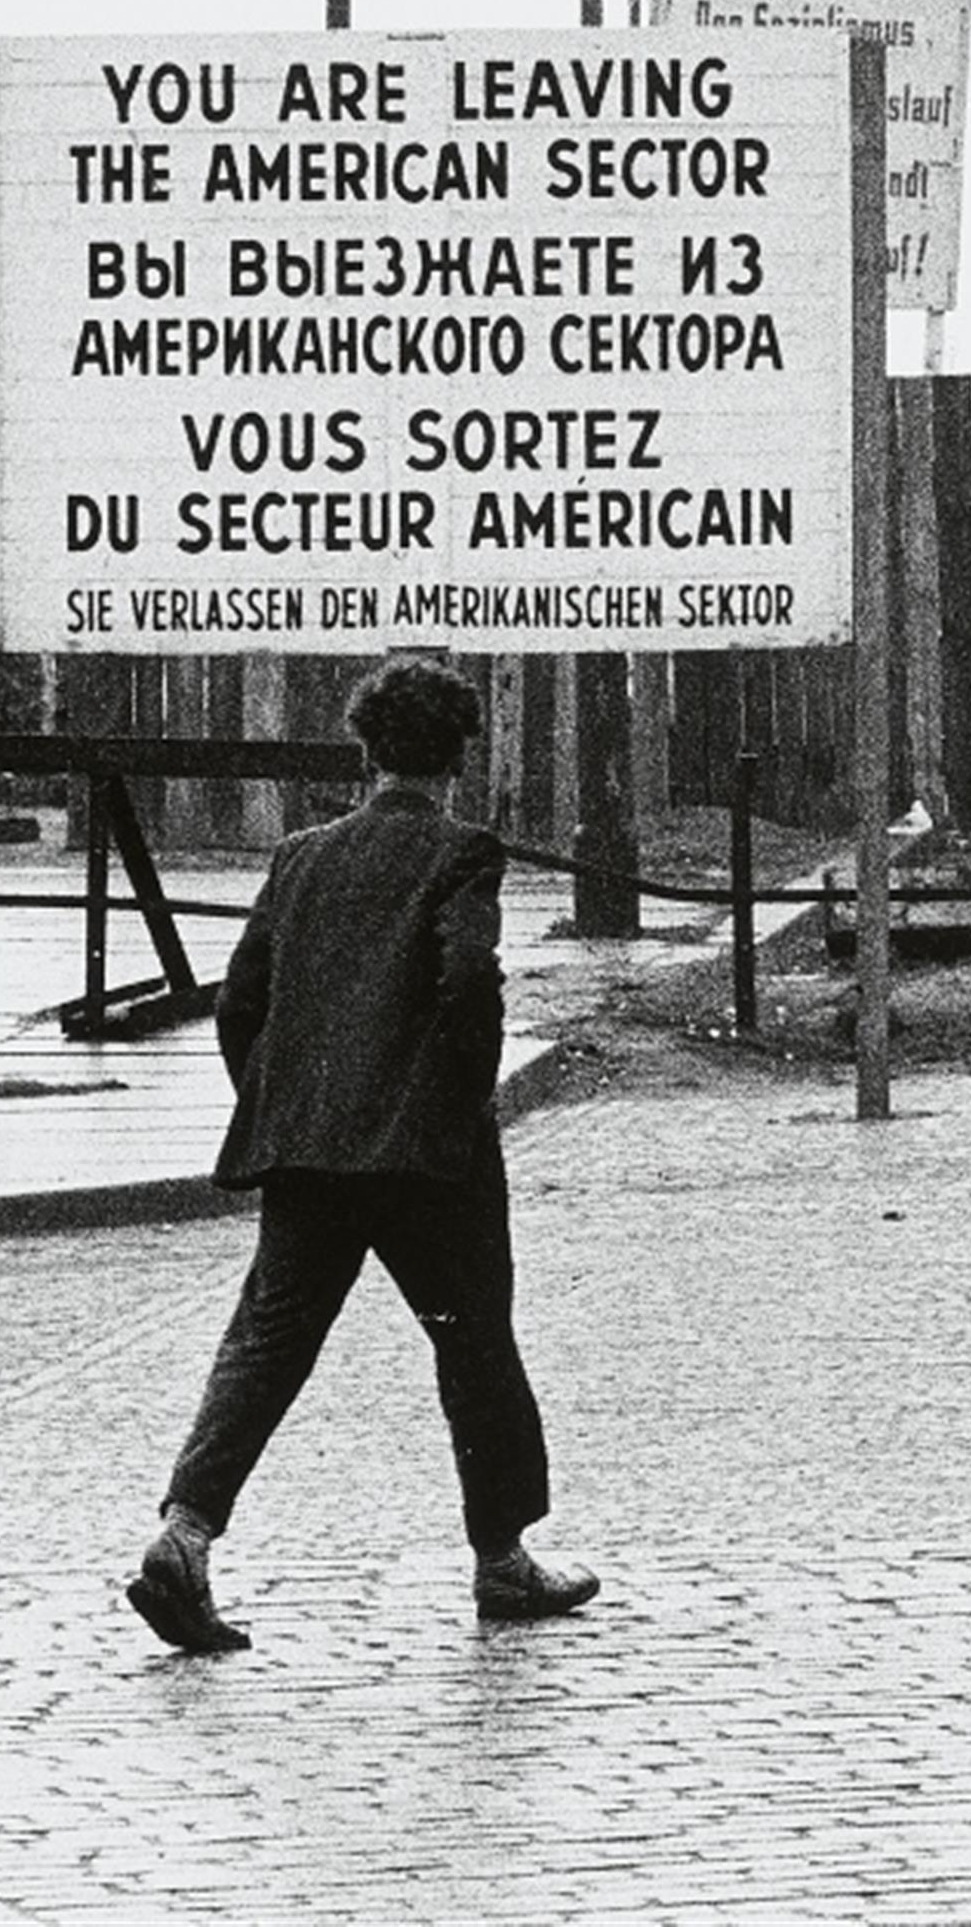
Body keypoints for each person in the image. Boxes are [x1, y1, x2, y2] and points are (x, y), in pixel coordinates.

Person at [127, 656, 597, 1653]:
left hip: (306, 1150)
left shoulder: (300, 856)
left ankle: (185, 1535)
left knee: (267, 1343)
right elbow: (469, 978)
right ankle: (502, 1562)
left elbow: (240, 1001)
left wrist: (282, 1100)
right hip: (428, 1155)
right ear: (459, 757)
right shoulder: (461, 851)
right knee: (474, 1342)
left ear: (366, 751)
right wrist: (457, 1097)